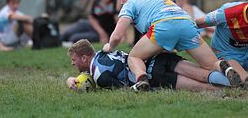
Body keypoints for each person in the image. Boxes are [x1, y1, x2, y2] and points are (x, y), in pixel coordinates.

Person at [102, 0, 241, 91]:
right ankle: (225, 68)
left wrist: (110, 47)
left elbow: (117, 36)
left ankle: (141, 79)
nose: (120, 2)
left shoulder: (130, 3)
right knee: (211, 64)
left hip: (164, 24)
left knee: (134, 57)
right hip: (186, 22)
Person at [66, 39, 230, 91]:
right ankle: (233, 80)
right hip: (158, 58)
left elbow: (125, 91)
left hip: (153, 75)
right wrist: (71, 79)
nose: (73, 63)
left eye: (74, 59)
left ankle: (227, 90)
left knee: (201, 87)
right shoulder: (105, 51)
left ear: (85, 58)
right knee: (203, 74)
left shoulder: (100, 76)